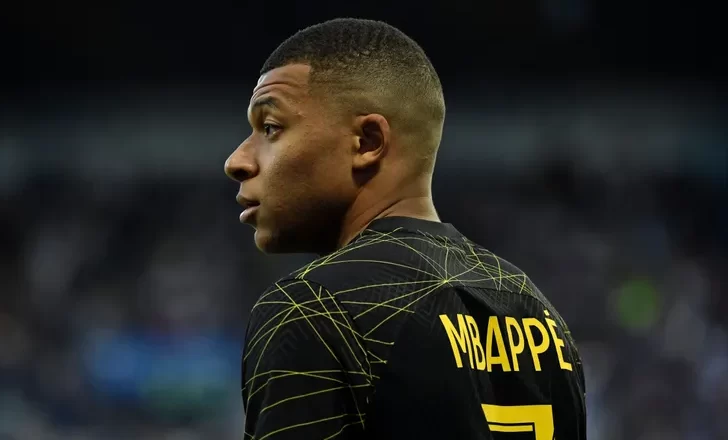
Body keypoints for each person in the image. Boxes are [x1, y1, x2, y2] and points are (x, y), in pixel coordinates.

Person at [224, 18, 586, 440]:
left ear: (368, 142)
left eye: (270, 128)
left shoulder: (311, 309)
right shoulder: (539, 313)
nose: (237, 161)